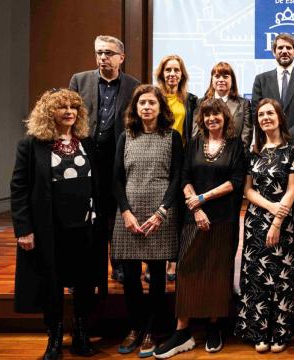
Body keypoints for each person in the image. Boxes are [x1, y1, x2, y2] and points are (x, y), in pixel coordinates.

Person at [10, 88, 103, 360]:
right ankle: (54, 336)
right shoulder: (32, 144)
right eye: (62, 107)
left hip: (85, 226)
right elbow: (18, 188)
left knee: (85, 282)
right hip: (50, 229)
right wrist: (24, 229)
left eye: (74, 107)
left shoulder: (86, 141)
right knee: (52, 283)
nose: (69, 112)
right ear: (49, 112)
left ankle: (81, 333)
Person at [153, 99, 246, 358]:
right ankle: (182, 330)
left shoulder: (236, 145)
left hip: (224, 218)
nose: (211, 119)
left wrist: (203, 199)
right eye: (206, 115)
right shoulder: (193, 144)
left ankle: (214, 327)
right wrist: (196, 207)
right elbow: (184, 178)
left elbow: (235, 181)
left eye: (216, 114)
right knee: (187, 269)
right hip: (194, 217)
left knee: (218, 271)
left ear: (225, 117)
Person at [111, 85, 183, 358]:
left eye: (152, 103)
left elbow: (176, 178)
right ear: (136, 108)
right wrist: (126, 212)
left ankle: (151, 330)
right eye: (142, 103)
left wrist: (161, 212)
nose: (147, 108)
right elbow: (116, 180)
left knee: (156, 277)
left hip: (160, 215)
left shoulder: (172, 137)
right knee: (129, 276)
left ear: (160, 107)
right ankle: (135, 326)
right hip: (128, 214)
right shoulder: (126, 137)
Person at [69, 35, 140, 284]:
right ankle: (90, 267)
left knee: (117, 214)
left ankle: (118, 265)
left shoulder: (134, 85)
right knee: (90, 213)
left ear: (121, 57)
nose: (103, 58)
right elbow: (71, 116)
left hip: (119, 157)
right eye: (99, 52)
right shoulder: (80, 80)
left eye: (109, 53)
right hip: (86, 158)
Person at [234, 99, 294, 353]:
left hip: (283, 223)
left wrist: (276, 219)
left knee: (279, 279)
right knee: (256, 279)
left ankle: (280, 334)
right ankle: (259, 332)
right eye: (261, 114)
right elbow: (247, 190)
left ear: (279, 116)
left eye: (269, 113)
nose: (265, 117)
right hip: (255, 222)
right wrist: (269, 207)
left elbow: (293, 190)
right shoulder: (255, 151)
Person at [251, 33, 294, 277]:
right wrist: (274, 134)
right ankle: (265, 250)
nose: (284, 51)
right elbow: (257, 111)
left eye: (289, 47)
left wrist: (286, 136)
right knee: (267, 200)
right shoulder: (261, 79)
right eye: (280, 47)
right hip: (266, 150)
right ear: (273, 51)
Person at [154, 54, 198, 282]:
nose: (172, 74)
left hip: (181, 159)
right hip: (158, 158)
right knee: (160, 207)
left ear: (182, 74)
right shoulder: (153, 97)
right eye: (168, 70)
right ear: (161, 74)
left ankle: (174, 261)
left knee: (179, 211)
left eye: (176, 70)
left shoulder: (190, 100)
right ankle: (156, 263)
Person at [193, 62, 253, 151]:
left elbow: (246, 136)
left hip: (234, 155)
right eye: (217, 76)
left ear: (232, 80)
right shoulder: (200, 102)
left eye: (225, 77)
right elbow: (196, 133)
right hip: (206, 155)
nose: (221, 80)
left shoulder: (244, 103)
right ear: (212, 80)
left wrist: (239, 156)